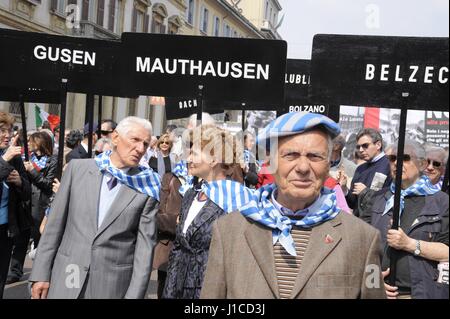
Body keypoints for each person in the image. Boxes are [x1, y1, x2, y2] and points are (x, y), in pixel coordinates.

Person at [201, 112, 386, 299]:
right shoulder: (228, 232)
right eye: (291, 155)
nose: (303, 167)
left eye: (315, 156)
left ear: (329, 163)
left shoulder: (363, 240)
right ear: (271, 162)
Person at [29, 116, 161, 299]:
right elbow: (54, 227)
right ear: (115, 138)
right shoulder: (77, 170)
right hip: (67, 276)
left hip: (111, 286)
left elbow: (144, 251)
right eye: (135, 140)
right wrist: (41, 274)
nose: (140, 149)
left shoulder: (147, 187)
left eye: (145, 144)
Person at [163, 125, 252, 299]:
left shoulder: (238, 199)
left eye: (194, 153)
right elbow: (178, 248)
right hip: (177, 289)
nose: (188, 158)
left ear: (213, 159)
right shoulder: (191, 194)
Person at [359, 140, 449, 299]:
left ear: (421, 164)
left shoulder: (441, 202)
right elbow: (361, 248)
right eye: (392, 158)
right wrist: (373, 282)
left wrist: (409, 244)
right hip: (379, 293)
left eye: (405, 158)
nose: (396, 163)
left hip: (421, 293)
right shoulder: (377, 198)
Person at [7, 132, 57, 284]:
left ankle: (41, 273)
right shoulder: (27, 159)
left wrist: (32, 171)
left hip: (40, 205)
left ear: (40, 143)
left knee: (40, 240)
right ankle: (15, 271)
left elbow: (48, 185)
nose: (28, 145)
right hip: (26, 203)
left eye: (31, 142)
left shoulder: (52, 161)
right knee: (21, 240)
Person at [0, 112, 31, 298]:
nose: (8, 134)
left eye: (10, 130)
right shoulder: (8, 156)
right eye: (2, 130)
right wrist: (3, 161)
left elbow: (27, 192)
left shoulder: (15, 157)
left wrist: (20, 182)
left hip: (6, 228)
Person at [344, 128, 392, 217]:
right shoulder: (360, 169)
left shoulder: (390, 165)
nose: (361, 150)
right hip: (360, 224)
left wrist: (365, 192)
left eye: (365, 145)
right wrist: (344, 189)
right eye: (358, 147)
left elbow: (388, 199)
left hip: (378, 222)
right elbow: (352, 203)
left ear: (378, 145)